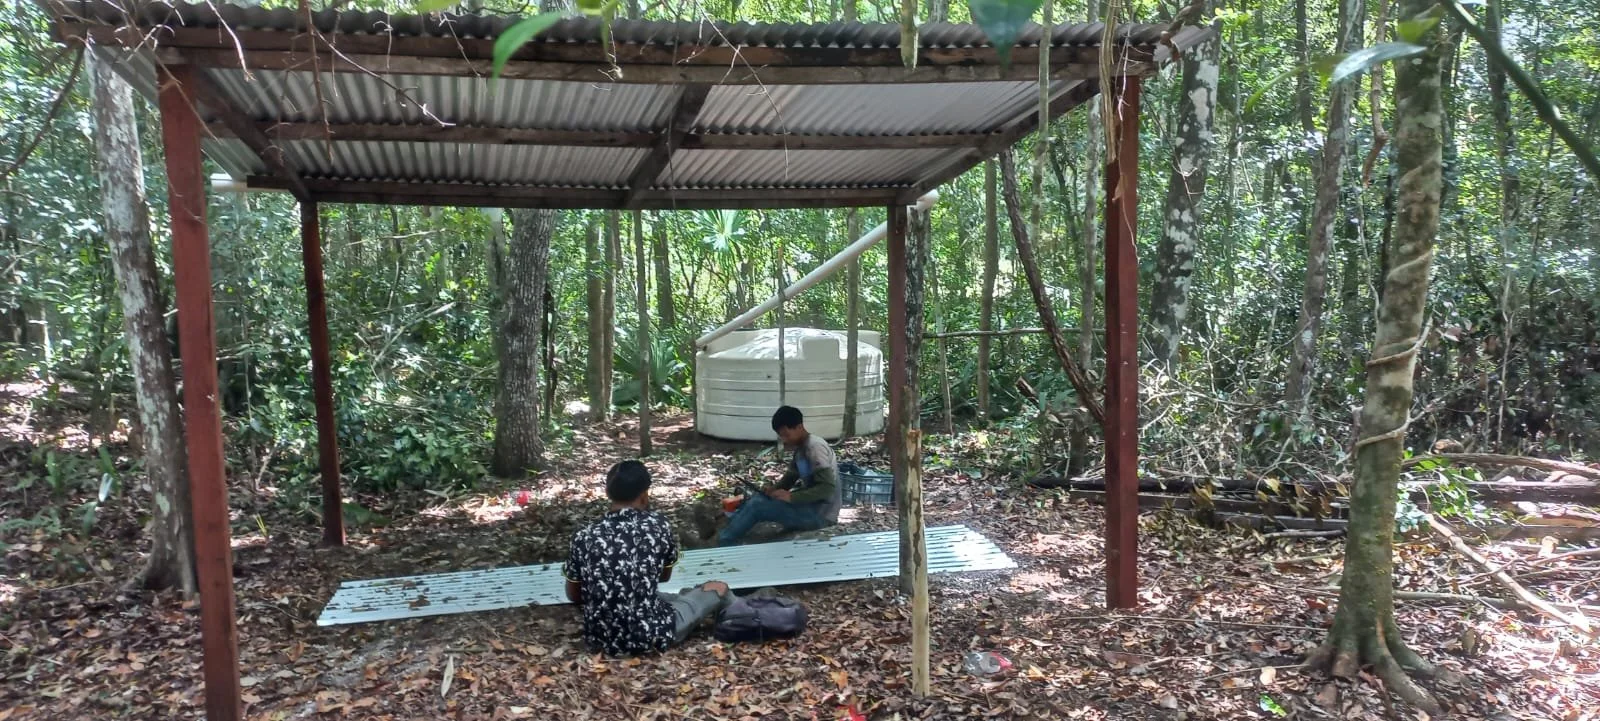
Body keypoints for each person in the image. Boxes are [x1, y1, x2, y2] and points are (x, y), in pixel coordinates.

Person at [563, 460, 731, 656]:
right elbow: (663, 576)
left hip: (599, 638)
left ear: (608, 493)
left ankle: (703, 599)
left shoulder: (583, 535)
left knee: (681, 595)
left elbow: (574, 595)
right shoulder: (658, 526)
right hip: (652, 633)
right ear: (644, 494)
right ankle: (754, 614)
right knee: (719, 587)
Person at [717, 405, 841, 546]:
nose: (785, 440)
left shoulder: (814, 447)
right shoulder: (801, 450)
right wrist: (773, 490)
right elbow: (789, 479)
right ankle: (727, 530)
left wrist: (791, 497)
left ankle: (724, 542)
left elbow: (827, 488)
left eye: (786, 434)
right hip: (811, 507)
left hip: (821, 515)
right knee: (759, 498)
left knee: (758, 506)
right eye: (781, 436)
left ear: (799, 427)